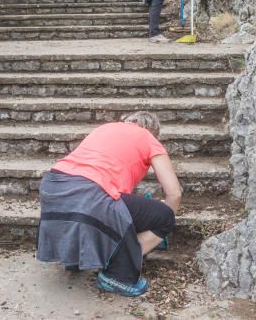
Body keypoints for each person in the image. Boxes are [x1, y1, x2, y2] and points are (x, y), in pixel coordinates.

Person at [37, 111, 182, 298]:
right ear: (152, 130)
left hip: (53, 186)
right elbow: (174, 193)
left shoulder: (103, 129)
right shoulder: (148, 137)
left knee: (104, 209)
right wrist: (161, 229)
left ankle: (76, 257)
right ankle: (117, 273)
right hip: (91, 192)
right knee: (164, 216)